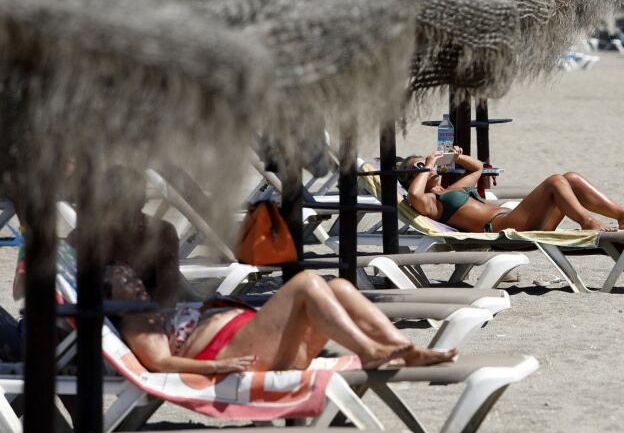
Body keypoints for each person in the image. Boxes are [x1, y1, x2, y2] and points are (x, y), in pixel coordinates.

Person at [13, 167, 457, 375]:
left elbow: (172, 298)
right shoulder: (93, 264)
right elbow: (157, 357)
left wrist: (212, 306)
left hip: (223, 331)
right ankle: (370, 348)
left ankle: (399, 345)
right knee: (305, 283)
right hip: (222, 349)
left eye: (137, 201)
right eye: (124, 205)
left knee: (337, 283)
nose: (135, 212)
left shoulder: (160, 237)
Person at [399, 147, 624, 234]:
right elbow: (412, 196)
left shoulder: (449, 189)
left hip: (517, 218)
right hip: (504, 226)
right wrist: (428, 166)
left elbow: (477, 169)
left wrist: (456, 157)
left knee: (570, 177)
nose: (426, 166)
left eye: (423, 162)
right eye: (418, 166)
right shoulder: (429, 202)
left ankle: (623, 216)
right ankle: (587, 222)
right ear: (413, 178)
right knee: (554, 181)